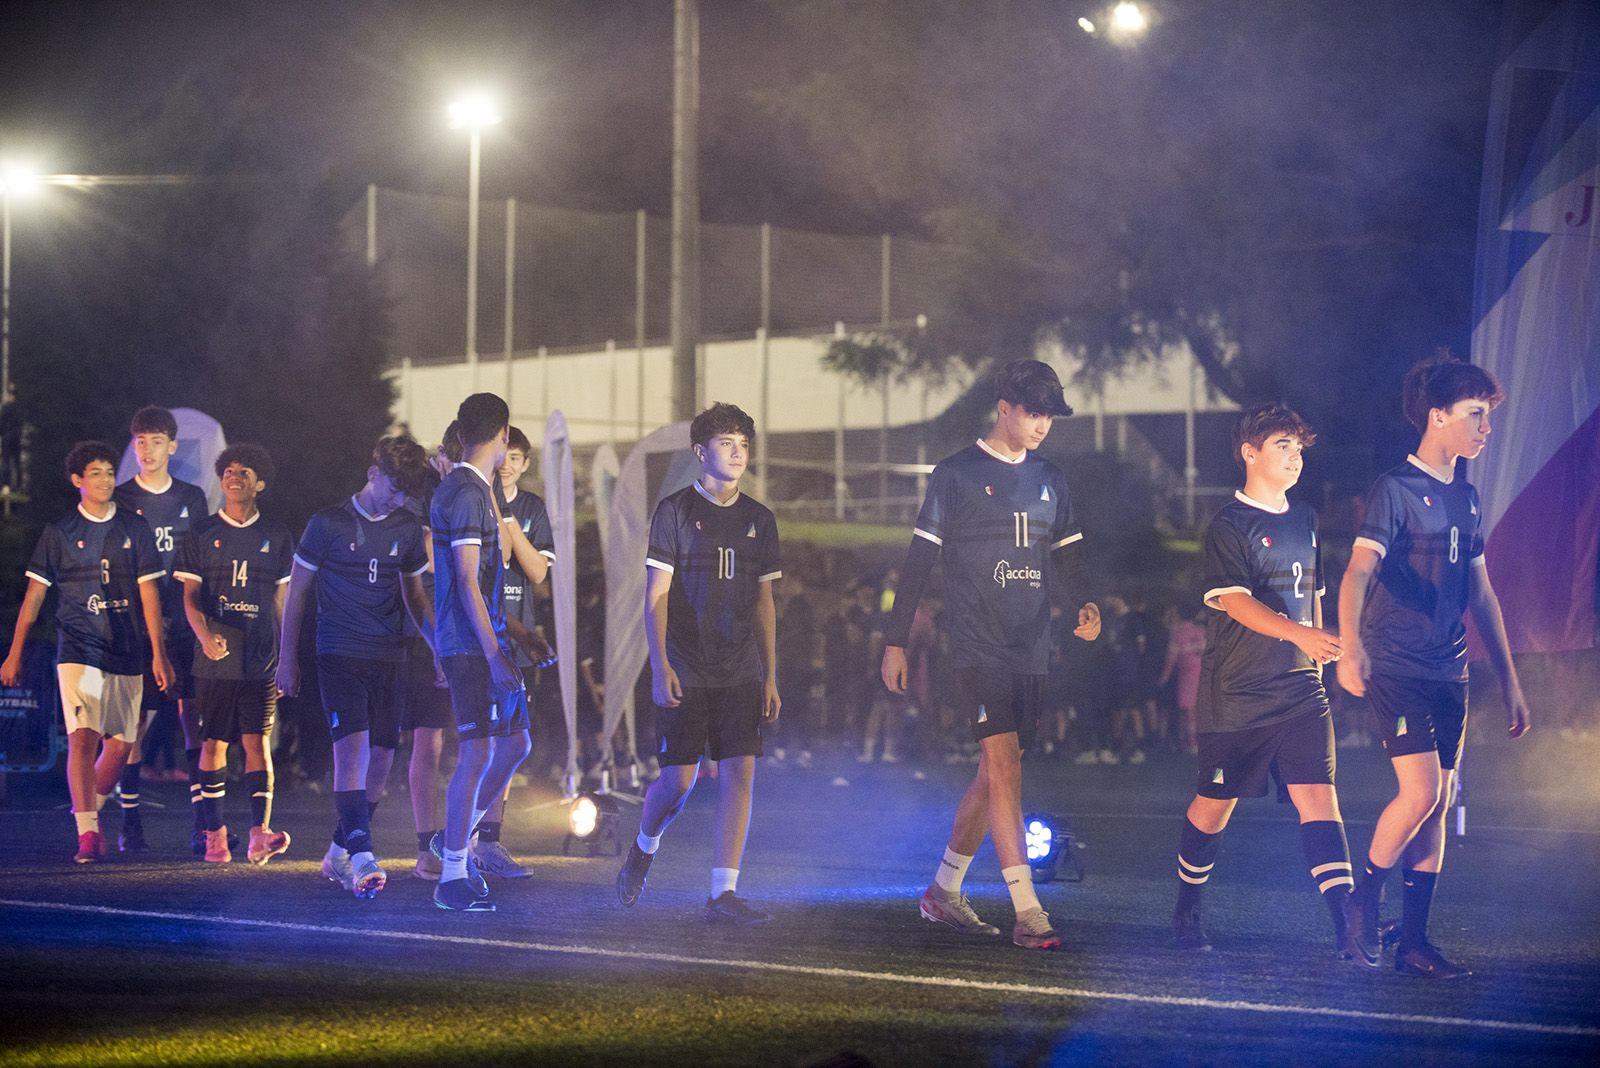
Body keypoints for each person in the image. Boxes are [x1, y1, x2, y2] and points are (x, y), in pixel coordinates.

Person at [881, 360, 1100, 950]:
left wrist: (1085, 602)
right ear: (1003, 406)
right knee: (1005, 767)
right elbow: (918, 563)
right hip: (976, 647)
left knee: (992, 771)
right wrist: (895, 639)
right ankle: (1030, 912)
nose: (1041, 425)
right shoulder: (955, 475)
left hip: (1032, 644)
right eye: (1032, 411)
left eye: (1049, 415)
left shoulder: (1052, 477)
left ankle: (943, 891)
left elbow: (1071, 553)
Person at [1338, 353, 1531, 979]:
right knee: (1419, 791)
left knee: (1440, 800)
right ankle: (1362, 900)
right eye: (1476, 415)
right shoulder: (1395, 488)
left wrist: (1511, 679)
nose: (1485, 428)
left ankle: (1413, 942)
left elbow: (1483, 594)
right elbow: (1358, 571)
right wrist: (1351, 644)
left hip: (1452, 671)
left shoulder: (1468, 498)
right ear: (1436, 416)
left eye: (1488, 417)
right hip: (1397, 664)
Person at [1169, 403, 1368, 963]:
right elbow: (1235, 602)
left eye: (1299, 448)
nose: (1295, 457)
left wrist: (1321, 645)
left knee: (1320, 800)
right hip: (1237, 695)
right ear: (1249, 453)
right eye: (1283, 446)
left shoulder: (1305, 516)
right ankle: (1187, 909)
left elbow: (1317, 594)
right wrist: (1299, 636)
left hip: (1302, 692)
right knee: (1214, 806)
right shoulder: (1229, 525)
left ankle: (1346, 921)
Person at [615, 402, 782, 925]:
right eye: (726, 443)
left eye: (743, 444)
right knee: (679, 784)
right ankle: (644, 845)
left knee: (740, 777)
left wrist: (771, 673)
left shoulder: (760, 520)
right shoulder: (675, 511)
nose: (737, 452)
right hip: (686, 665)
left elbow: (764, 602)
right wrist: (660, 662)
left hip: (739, 671)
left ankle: (722, 894)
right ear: (700, 452)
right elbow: (656, 595)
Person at [276, 435, 437, 898]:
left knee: (383, 758)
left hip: (391, 657)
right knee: (353, 753)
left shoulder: (407, 527)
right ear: (372, 474)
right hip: (339, 653)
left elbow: (416, 597)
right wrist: (287, 659)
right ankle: (364, 855)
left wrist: (437, 649)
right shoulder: (326, 523)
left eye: (408, 491)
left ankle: (337, 851)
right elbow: (298, 594)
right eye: (395, 486)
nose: (400, 497)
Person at [2, 442, 171, 862]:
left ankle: (86, 805)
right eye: (95, 473)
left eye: (110, 472)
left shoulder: (135, 528)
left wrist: (158, 652)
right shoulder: (59, 533)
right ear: (78, 481)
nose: (106, 480)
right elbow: (35, 597)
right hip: (78, 648)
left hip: (127, 649)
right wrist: (15, 652)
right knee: (83, 737)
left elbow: (150, 593)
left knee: (121, 745)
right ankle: (88, 833)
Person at [429, 393, 531, 912]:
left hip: (483, 638)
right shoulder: (465, 493)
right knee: (478, 754)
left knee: (516, 745)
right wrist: (493, 654)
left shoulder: (474, 488)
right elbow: (467, 581)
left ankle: (451, 841)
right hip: (472, 647)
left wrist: (516, 635)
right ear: (505, 434)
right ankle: (451, 874)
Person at [174, 444, 294, 865]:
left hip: (260, 659)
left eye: (244, 471)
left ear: (259, 484)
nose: (233, 476)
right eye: (227, 470)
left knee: (258, 744)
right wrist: (205, 636)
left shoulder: (277, 535)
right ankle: (214, 837)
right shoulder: (202, 532)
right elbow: (189, 599)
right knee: (214, 744)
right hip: (216, 660)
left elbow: (283, 604)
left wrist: (287, 657)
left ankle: (260, 835)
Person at [113, 405, 211, 853]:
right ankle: (129, 820)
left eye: (156, 442)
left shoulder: (191, 498)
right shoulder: (120, 498)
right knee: (133, 721)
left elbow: (198, 562)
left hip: (184, 625)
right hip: (137, 627)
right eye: (140, 442)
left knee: (192, 717)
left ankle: (202, 823)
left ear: (173, 446)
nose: (147, 450)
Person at [474, 424, 554, 879]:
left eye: (517, 458)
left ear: (525, 464)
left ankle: (487, 841)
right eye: (504, 454)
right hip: (481, 636)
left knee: (510, 742)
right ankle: (460, 839)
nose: (508, 464)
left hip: (515, 639)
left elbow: (537, 571)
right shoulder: (470, 498)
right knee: (482, 743)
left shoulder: (530, 509)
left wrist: (508, 520)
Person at [0, 382, 23, 492]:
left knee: (7, 462)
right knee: (15, 463)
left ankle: (7, 485)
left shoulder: (7, 408)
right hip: (15, 438)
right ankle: (17, 486)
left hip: (8, 439)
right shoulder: (18, 408)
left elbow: (1, 423)